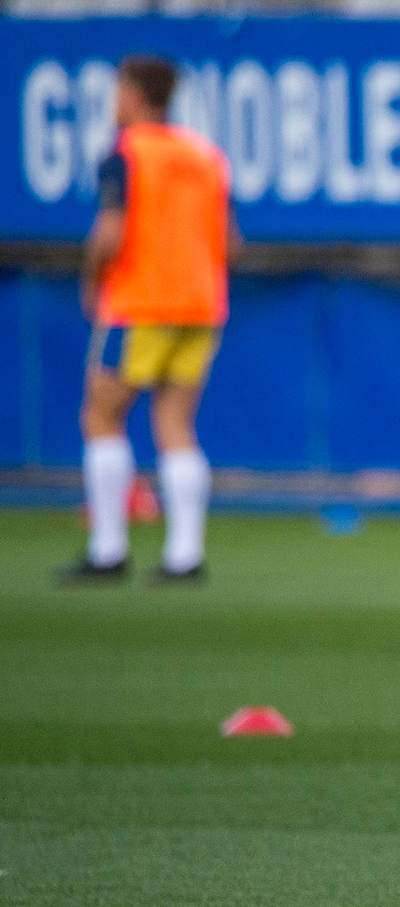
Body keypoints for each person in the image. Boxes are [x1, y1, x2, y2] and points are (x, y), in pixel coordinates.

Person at [58, 55, 237, 585]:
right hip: (201, 305)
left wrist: (92, 280)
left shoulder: (126, 153)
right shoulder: (204, 156)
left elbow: (109, 233)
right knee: (177, 424)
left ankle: (108, 549)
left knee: (101, 417)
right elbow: (231, 242)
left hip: (141, 303)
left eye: (118, 90)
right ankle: (185, 554)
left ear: (136, 95)